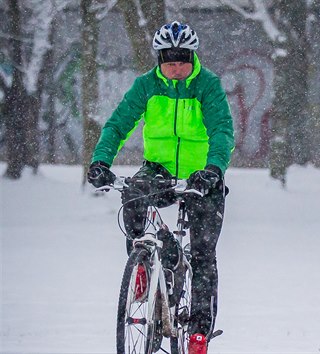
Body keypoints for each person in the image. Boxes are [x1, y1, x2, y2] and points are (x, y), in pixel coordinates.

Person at [86, 21, 234, 354]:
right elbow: (119, 122)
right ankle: (144, 267)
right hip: (159, 170)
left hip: (202, 175)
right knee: (133, 195)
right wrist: (101, 161)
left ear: (192, 57)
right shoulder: (147, 85)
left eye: (182, 58)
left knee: (203, 255)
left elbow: (222, 130)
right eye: (169, 58)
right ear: (159, 58)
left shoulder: (208, 86)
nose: (176, 65)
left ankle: (198, 334)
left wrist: (213, 169)